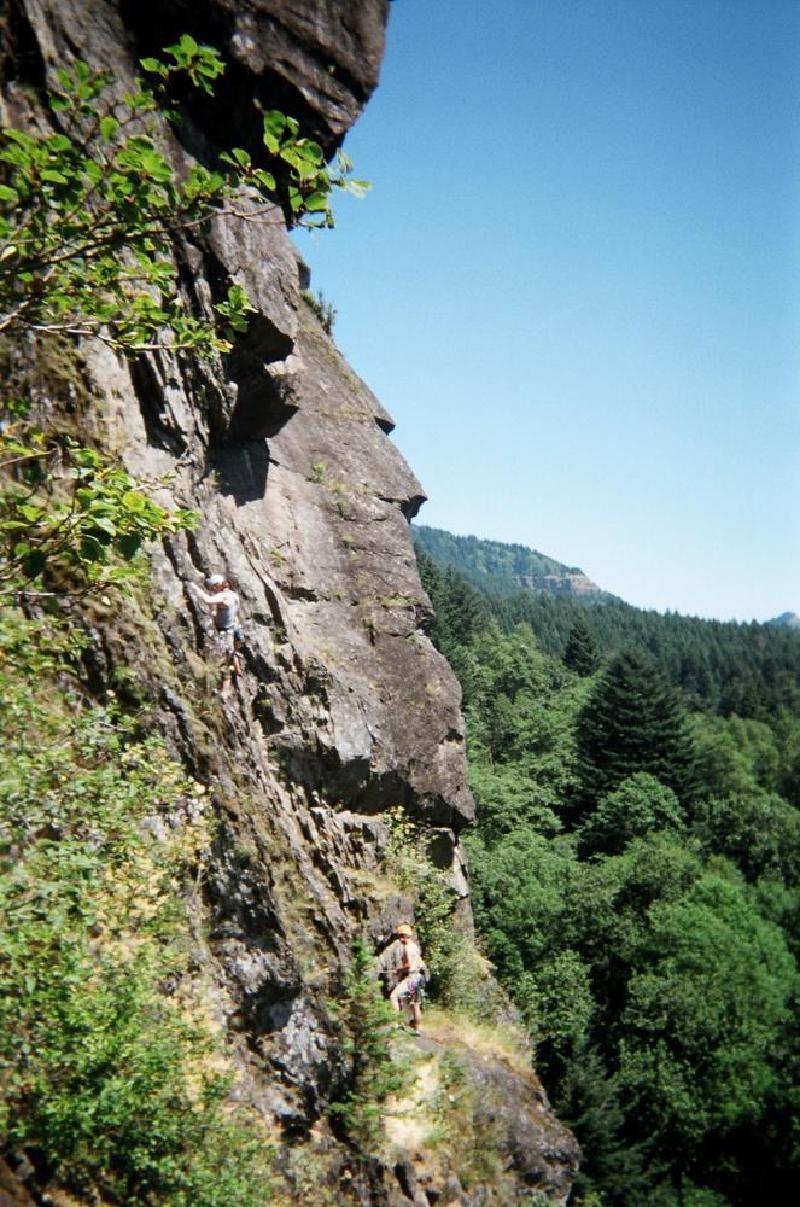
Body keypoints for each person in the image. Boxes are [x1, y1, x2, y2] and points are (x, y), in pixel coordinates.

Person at [191, 573, 242, 697]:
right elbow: (220, 608)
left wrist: (195, 589)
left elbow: (207, 600)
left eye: (213, 586)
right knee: (232, 652)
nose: (212, 589)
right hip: (235, 628)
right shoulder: (232, 595)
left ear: (218, 586)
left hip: (226, 632)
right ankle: (237, 665)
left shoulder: (224, 597)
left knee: (225, 661)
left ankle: (226, 688)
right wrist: (215, 612)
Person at [379, 922, 428, 1033]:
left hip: (411, 978)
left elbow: (408, 966)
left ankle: (396, 1022)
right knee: (415, 1004)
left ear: (405, 935)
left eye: (401, 936)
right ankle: (418, 1029)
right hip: (419, 977)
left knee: (393, 996)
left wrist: (397, 971)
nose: (400, 939)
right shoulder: (414, 946)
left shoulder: (406, 948)